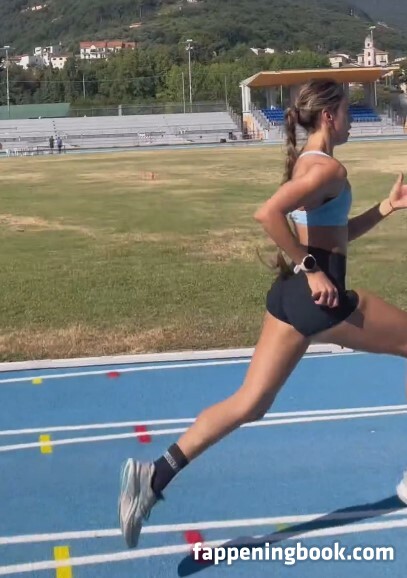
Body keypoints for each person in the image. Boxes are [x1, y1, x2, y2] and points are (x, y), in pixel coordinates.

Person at [118, 78, 407, 549]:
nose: (353, 119)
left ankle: (153, 476)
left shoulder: (309, 164)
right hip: (320, 299)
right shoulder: (328, 169)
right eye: (348, 111)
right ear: (329, 115)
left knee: (249, 403)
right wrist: (313, 270)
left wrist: (386, 207)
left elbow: (333, 235)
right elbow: (268, 214)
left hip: (290, 297)